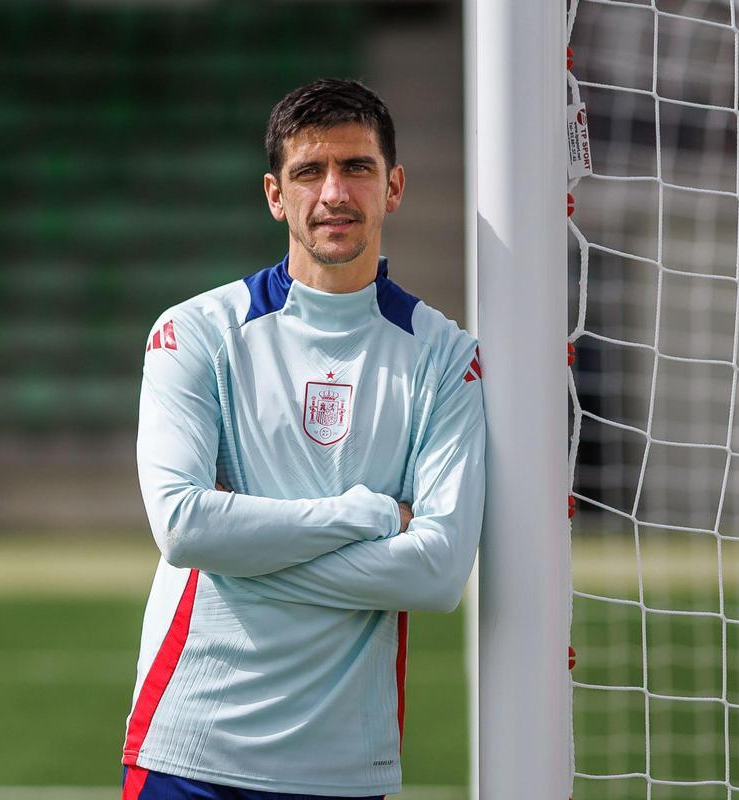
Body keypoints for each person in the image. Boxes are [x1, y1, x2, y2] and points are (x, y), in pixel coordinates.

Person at [121, 79, 485, 800]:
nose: (334, 194)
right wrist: (376, 515)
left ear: (395, 185)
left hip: (342, 765)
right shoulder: (197, 332)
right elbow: (185, 528)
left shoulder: (446, 356)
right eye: (308, 172)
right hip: (191, 748)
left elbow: (438, 575)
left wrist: (244, 547)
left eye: (357, 168)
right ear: (274, 194)